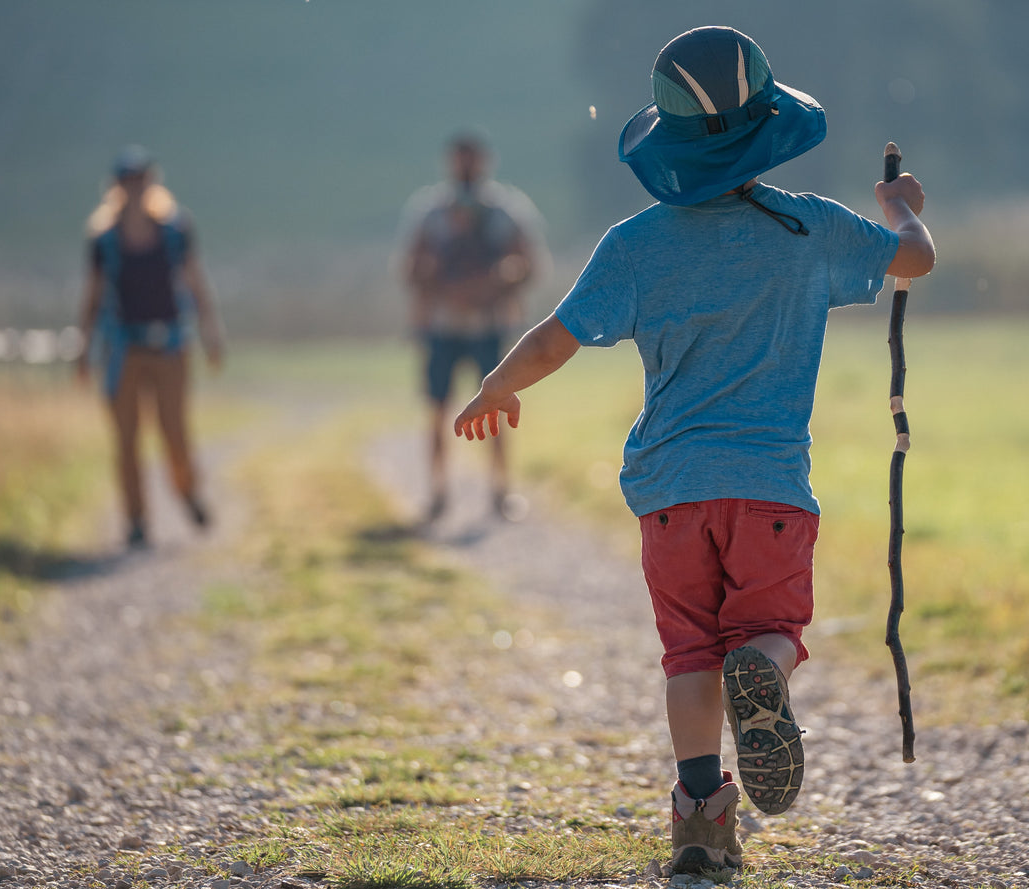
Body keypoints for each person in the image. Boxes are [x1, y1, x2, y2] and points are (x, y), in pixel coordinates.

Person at [453, 27, 934, 874]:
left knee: (688, 656)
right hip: (771, 490)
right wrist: (900, 206)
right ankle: (767, 667)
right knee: (771, 628)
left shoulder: (635, 245)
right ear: (770, 128)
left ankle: (702, 820)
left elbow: (555, 339)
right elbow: (915, 261)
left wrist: (499, 383)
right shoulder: (809, 229)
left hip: (671, 492)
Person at [76, 146, 224, 549]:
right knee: (127, 439)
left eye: (141, 179)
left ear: (152, 182)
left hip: (171, 345)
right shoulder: (103, 239)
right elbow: (92, 297)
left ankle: (188, 491)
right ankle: (136, 520)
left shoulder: (175, 231)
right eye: (128, 180)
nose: (135, 187)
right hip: (123, 349)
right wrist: (83, 349)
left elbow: (195, 283)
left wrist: (211, 333)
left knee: (174, 430)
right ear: (117, 187)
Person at [398, 131, 540, 521]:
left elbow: (528, 264)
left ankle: (500, 490)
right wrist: (448, 288)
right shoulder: (430, 212)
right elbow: (411, 269)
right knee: (437, 409)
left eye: (471, 159)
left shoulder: (505, 211)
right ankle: (438, 491)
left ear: (484, 161)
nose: (465, 167)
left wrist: (490, 286)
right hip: (443, 324)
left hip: (489, 323)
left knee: (497, 405)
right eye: (460, 159)